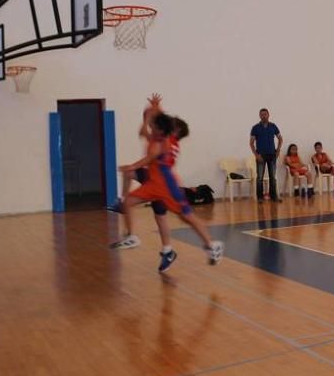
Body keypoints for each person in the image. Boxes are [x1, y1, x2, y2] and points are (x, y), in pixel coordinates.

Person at [110, 99, 223, 272]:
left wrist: (155, 110)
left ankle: (211, 244)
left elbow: (151, 153)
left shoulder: (166, 141)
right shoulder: (160, 136)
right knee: (139, 206)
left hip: (166, 185)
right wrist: (151, 112)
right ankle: (137, 237)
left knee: (187, 217)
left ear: (171, 130)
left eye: (157, 124)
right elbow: (147, 128)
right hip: (153, 181)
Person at [250, 108, 282, 202]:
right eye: (262, 114)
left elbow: (280, 138)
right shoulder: (255, 128)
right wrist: (256, 155)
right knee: (260, 177)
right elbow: (251, 143)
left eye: (265, 114)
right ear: (260, 116)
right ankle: (260, 197)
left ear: (268, 115)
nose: (264, 116)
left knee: (273, 177)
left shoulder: (273, 126)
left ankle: (274, 196)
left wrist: (278, 150)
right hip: (261, 156)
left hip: (272, 155)